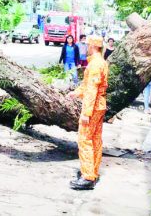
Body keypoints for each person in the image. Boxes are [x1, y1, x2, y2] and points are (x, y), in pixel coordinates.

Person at [68, 35, 108, 190]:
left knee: (84, 140)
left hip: (93, 107)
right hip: (100, 106)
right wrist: (75, 93)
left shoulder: (95, 65)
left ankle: (87, 177)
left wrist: (86, 113)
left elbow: (92, 90)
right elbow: (88, 87)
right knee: (96, 139)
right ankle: (93, 172)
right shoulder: (101, 63)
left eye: (87, 45)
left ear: (92, 46)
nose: (85, 47)